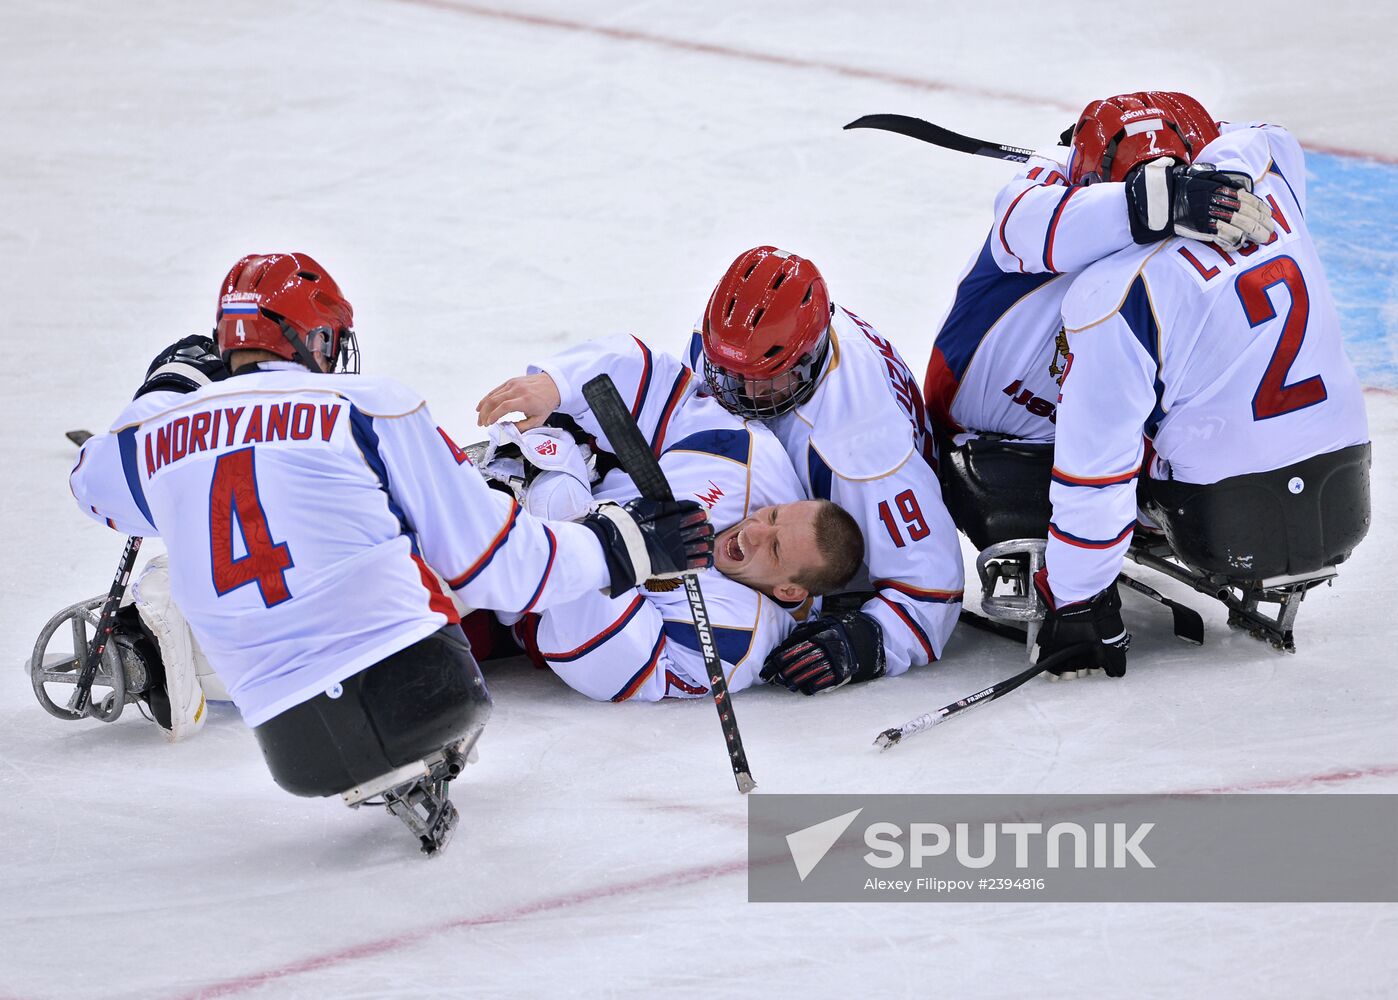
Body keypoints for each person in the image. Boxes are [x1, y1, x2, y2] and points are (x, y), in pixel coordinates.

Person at [66, 252, 714, 852]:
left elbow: (95, 489)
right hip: (423, 698)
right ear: (316, 339)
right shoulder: (366, 406)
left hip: (289, 746)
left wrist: (167, 384)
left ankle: (167, 631)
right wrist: (621, 544)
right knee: (420, 551)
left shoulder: (155, 432)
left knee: (216, 543)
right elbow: (495, 565)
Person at [1032, 96, 1370, 676]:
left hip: (1223, 518)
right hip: (1346, 491)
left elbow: (1097, 469)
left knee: (1093, 432)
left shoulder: (1113, 291)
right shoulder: (1273, 187)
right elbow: (1269, 133)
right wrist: (1220, 178)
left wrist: (1076, 602)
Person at [923, 92, 1278, 550]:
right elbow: (1021, 223)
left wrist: (1225, 178)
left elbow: (1263, 137)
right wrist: (1163, 200)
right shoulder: (1045, 186)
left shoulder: (1197, 164)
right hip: (982, 422)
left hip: (1094, 420)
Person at [476, 334, 865, 699]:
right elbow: (660, 387)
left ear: (790, 591)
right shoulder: (747, 456)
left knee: (554, 501)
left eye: (776, 548)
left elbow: (606, 667)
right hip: (507, 492)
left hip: (505, 606)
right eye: (774, 514)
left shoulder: (736, 641)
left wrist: (614, 549)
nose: (756, 529)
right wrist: (559, 384)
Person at [688, 247, 965, 691]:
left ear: (809, 355)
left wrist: (863, 641)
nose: (738, 391)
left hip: (813, 556)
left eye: (762, 378)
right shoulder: (753, 345)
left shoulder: (864, 450)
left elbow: (932, 591)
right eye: (728, 372)